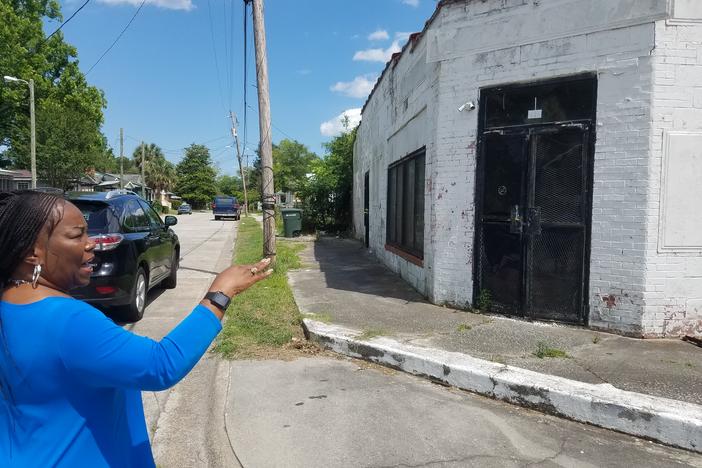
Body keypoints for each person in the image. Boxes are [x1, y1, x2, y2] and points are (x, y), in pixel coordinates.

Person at [0, 190, 272, 467]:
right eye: (76, 235)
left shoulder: (10, 306)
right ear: (32, 252)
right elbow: (161, 364)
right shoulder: (68, 321)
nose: (90, 243)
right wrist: (220, 293)